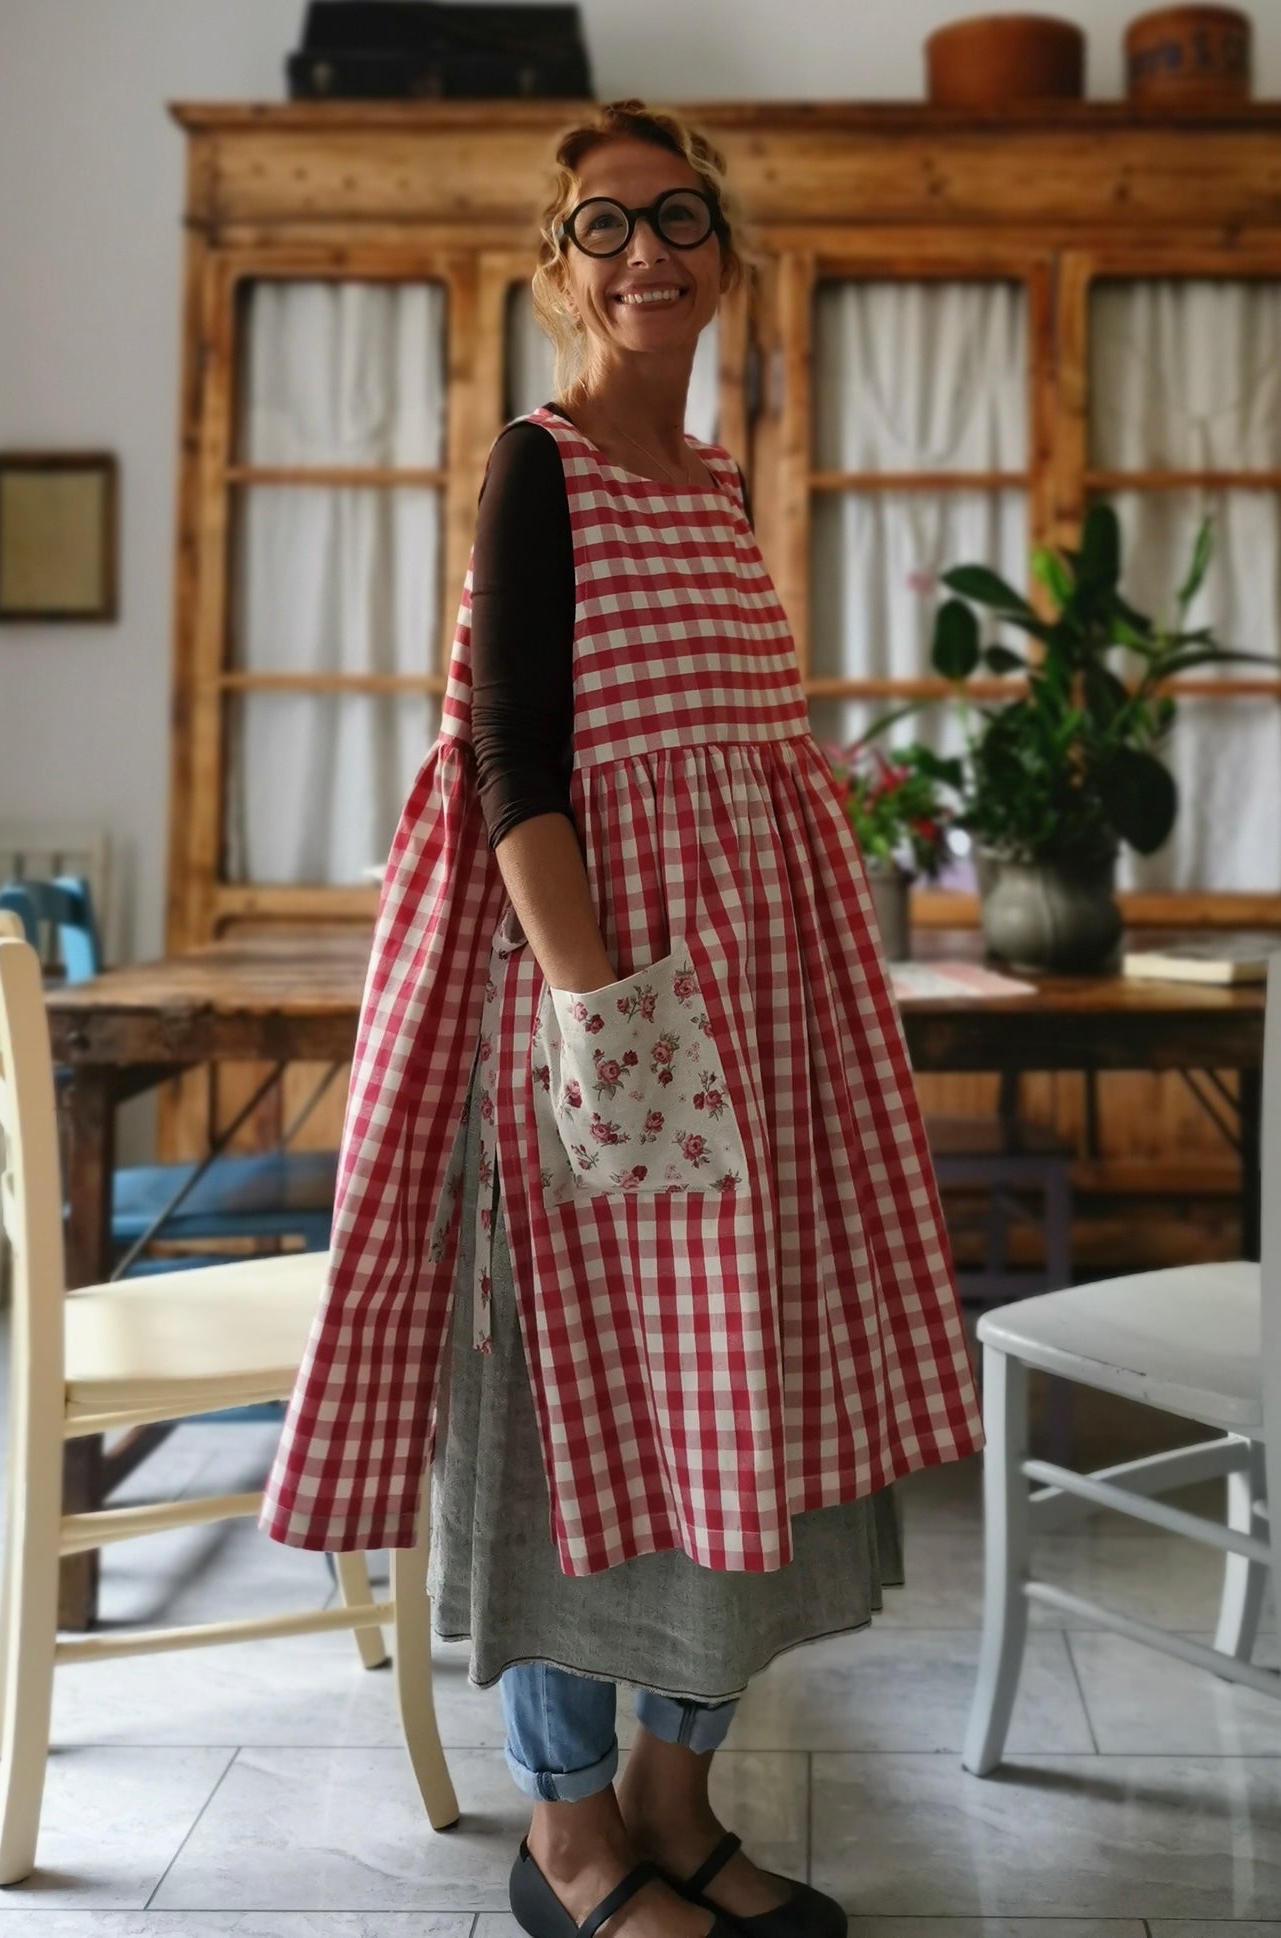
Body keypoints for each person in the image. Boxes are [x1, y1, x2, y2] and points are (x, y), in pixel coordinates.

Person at [261, 99, 985, 1938]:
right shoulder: (543, 464)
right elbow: (517, 767)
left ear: (724, 257)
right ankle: (572, 1833)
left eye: (678, 219)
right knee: (568, 1405)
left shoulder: (718, 478)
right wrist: (603, 1014)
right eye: (604, 227)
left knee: (736, 1390)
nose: (645, 251)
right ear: (556, 266)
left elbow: (736, 767)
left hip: (755, 1014)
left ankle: (678, 1803)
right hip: (602, 1012)